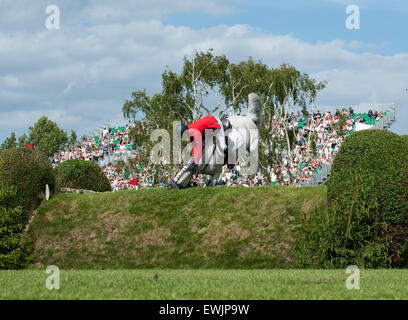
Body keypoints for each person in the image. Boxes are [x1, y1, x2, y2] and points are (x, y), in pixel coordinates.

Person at [168, 115, 228, 189]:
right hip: (207, 130)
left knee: (223, 147)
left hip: (215, 123)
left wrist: (195, 162)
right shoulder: (190, 132)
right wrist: (194, 160)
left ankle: (230, 162)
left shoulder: (195, 132)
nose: (183, 138)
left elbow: (198, 149)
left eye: (183, 136)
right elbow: (194, 148)